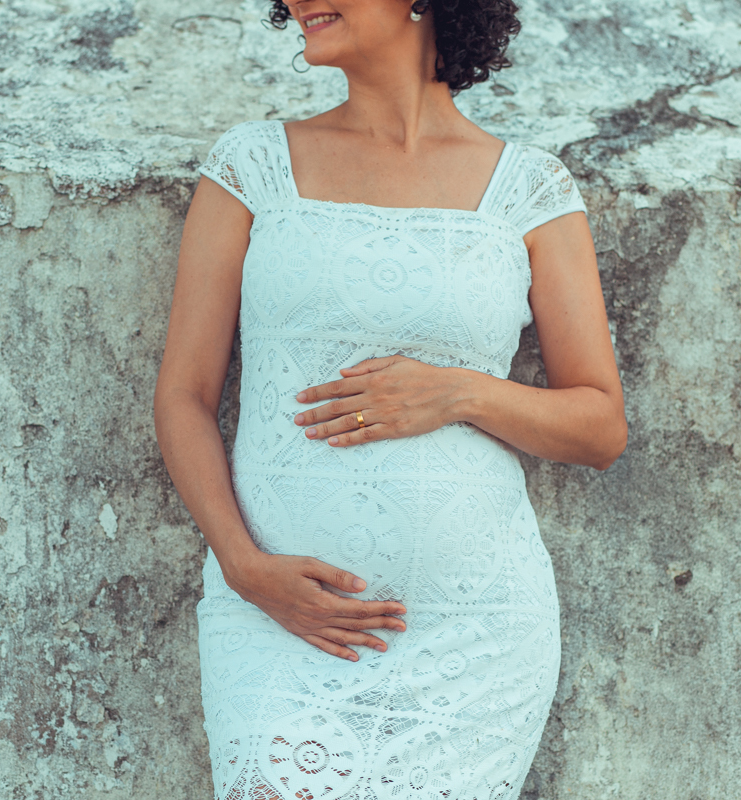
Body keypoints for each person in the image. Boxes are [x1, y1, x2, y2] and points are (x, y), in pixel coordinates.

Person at [153, 0, 626, 796]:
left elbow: (600, 424)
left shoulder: (529, 188)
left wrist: (461, 393)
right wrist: (242, 564)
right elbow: (184, 395)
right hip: (279, 613)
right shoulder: (252, 166)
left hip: (473, 631)